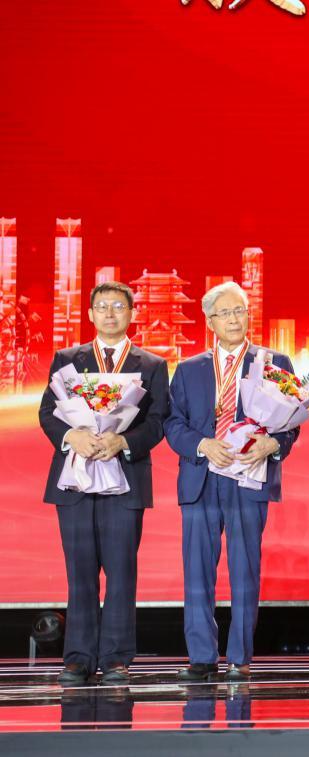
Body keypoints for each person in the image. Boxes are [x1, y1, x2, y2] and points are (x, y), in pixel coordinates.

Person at [165, 281, 299, 682]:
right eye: (225, 313)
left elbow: (291, 422)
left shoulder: (273, 361)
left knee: (245, 569)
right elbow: (172, 423)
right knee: (197, 572)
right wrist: (203, 444)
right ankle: (201, 657)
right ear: (210, 321)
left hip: (248, 477)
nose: (234, 319)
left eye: (240, 311)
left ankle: (240, 657)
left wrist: (273, 444)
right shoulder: (189, 369)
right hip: (202, 478)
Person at [39, 281, 169, 685]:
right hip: (74, 480)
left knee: (121, 571)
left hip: (124, 480)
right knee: (79, 572)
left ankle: (115, 657)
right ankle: (78, 657)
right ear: (91, 314)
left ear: (132, 313)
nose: (110, 313)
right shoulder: (67, 359)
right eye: (102, 306)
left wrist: (122, 442)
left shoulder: (152, 364)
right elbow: (47, 412)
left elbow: (158, 422)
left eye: (118, 306)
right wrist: (71, 436)